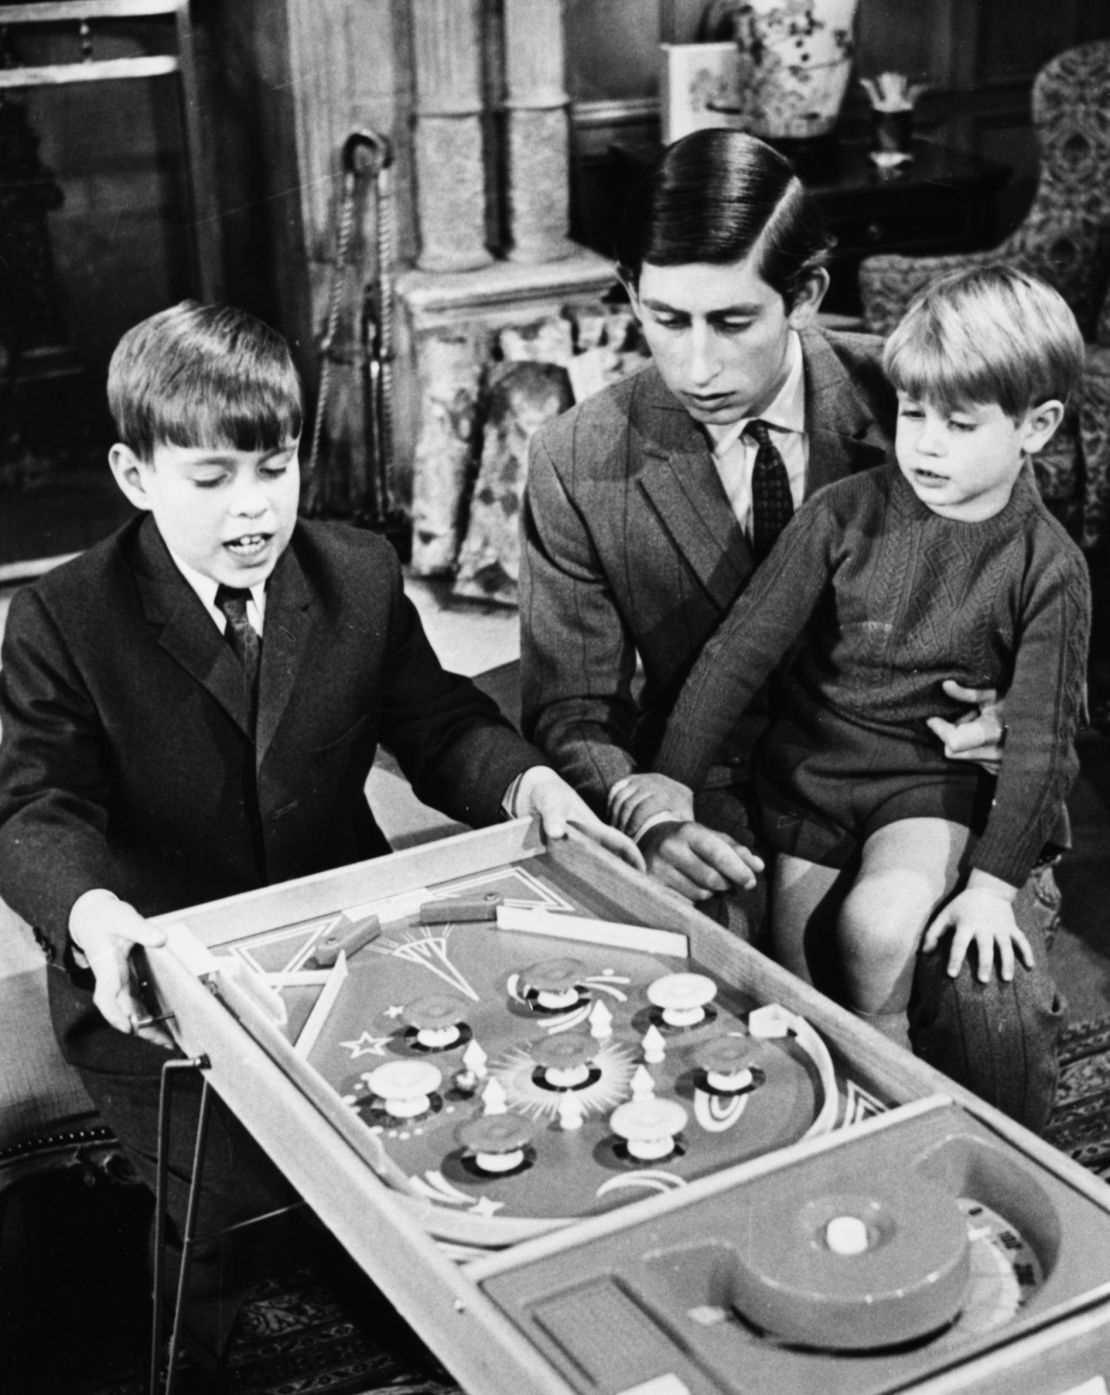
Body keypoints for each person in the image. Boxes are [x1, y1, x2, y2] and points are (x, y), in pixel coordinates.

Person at [0, 300, 637, 1379]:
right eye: (212, 479)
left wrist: (529, 783)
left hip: (350, 951)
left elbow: (437, 723)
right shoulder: (64, 614)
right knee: (243, 1206)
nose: (252, 510)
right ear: (133, 473)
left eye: (275, 469)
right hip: (157, 980)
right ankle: (191, 1348)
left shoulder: (358, 572)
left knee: (452, 1153)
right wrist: (100, 921)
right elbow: (35, 809)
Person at [519, 128, 1064, 1127]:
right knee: (705, 1034)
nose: (697, 363)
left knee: (996, 1011)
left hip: (923, 783)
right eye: (665, 318)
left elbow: (1037, 585)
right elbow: (571, 707)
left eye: (733, 321)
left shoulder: (923, 394)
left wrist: (1009, 712)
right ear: (631, 291)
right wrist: (653, 814)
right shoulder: (573, 459)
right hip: (714, 806)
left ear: (807, 296)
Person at [639, 265, 1089, 1054]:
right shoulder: (840, 514)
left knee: (874, 931)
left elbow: (1044, 743)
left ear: (1036, 425)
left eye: (959, 423)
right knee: (788, 980)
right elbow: (739, 650)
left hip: (925, 784)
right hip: (811, 775)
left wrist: (990, 886)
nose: (926, 444)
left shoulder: (1047, 567)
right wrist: (673, 774)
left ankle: (892, 1086)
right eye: (913, 413)